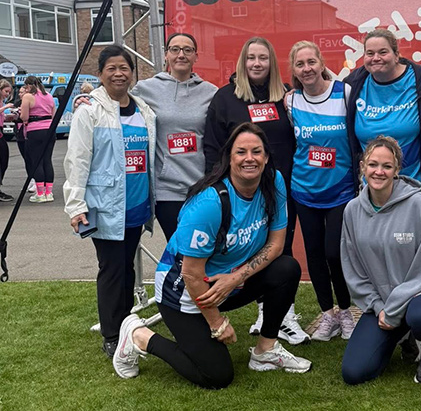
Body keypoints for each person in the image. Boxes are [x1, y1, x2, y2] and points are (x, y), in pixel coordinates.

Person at [112, 122, 311, 388]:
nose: (249, 158)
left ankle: (266, 351)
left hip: (226, 283)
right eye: (241, 152)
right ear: (229, 157)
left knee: (287, 269)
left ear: (266, 157)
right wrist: (217, 323)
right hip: (183, 292)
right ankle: (139, 335)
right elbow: (191, 274)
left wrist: (235, 278)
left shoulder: (273, 181)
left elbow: (276, 245)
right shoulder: (209, 203)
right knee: (217, 376)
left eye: (256, 152)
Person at [204, 37, 307, 345]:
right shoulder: (225, 98)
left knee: (281, 249)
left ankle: (283, 314)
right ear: (243, 62)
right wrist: (218, 188)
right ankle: (261, 310)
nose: (257, 63)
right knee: (251, 248)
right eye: (251, 58)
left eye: (263, 58)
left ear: (272, 63)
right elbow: (213, 147)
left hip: (281, 188)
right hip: (240, 193)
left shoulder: (286, 97)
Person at [340, 136, 421, 385]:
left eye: (387, 166)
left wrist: (395, 306)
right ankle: (406, 336)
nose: (379, 171)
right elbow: (354, 271)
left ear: (396, 170)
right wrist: (379, 307)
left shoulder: (418, 204)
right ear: (362, 167)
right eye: (373, 164)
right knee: (354, 373)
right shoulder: (352, 211)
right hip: (383, 305)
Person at [76, 33, 218, 240]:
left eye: (187, 50)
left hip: (201, 186)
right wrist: (86, 99)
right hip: (166, 189)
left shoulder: (210, 92)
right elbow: (115, 96)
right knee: (179, 247)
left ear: (196, 56)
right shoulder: (146, 88)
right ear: (166, 55)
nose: (181, 55)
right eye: (175, 49)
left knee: (201, 248)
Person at [63, 45, 157, 359]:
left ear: (132, 73)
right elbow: (77, 160)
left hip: (136, 206)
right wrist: (76, 205)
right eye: (111, 68)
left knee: (127, 268)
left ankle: (126, 324)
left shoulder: (143, 110)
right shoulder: (89, 111)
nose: (119, 74)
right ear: (100, 74)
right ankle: (112, 334)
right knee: (112, 270)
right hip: (105, 207)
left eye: (124, 68)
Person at [285, 41, 356, 341]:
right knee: (313, 253)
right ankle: (328, 314)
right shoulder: (291, 101)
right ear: (294, 70)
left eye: (311, 62)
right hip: (304, 190)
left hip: (341, 189)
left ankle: (346, 310)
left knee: (334, 253)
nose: (307, 69)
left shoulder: (344, 93)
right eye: (300, 64)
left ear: (322, 63)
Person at [344, 29, 421, 183]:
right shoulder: (353, 84)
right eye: (370, 53)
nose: (376, 58)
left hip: (412, 186)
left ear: (397, 55)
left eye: (383, 52)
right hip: (371, 188)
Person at [20, 76, 56, 203]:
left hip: (35, 130)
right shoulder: (49, 96)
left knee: (37, 161)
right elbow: (53, 114)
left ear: (29, 86)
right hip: (49, 130)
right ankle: (49, 192)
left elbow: (24, 117)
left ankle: (40, 193)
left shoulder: (28, 97)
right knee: (47, 160)